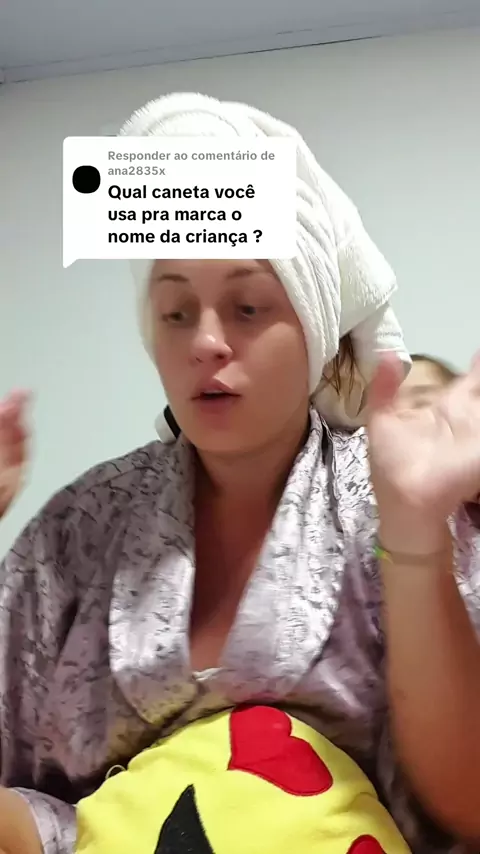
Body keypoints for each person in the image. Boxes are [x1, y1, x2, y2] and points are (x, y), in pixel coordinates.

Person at [0, 93, 480, 854]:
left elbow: (469, 809)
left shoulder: (389, 501)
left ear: (315, 329)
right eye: (176, 311)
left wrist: (417, 536)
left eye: (248, 306)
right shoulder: (75, 532)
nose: (207, 342)